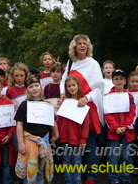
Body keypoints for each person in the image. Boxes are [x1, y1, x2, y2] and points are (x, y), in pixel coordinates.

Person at [60, 34, 104, 184]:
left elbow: (98, 88)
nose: (82, 46)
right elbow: (63, 81)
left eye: (85, 43)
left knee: (89, 144)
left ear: (88, 46)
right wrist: (62, 93)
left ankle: (91, 176)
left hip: (88, 108)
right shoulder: (70, 63)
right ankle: (78, 175)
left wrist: (87, 98)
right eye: (79, 43)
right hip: (72, 109)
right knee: (74, 143)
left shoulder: (93, 64)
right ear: (74, 46)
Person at [14, 76, 59, 183]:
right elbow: (19, 124)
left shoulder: (47, 105)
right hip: (29, 141)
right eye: (31, 87)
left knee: (40, 169)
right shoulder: (24, 105)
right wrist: (20, 143)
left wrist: (56, 134)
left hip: (44, 140)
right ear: (27, 90)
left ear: (40, 87)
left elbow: (52, 121)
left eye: (36, 85)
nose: (34, 88)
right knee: (30, 168)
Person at [104, 69, 135, 184]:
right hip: (113, 132)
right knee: (113, 157)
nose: (119, 81)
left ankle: (126, 178)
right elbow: (107, 114)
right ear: (112, 81)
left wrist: (125, 126)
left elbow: (132, 112)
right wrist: (116, 127)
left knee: (127, 156)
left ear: (125, 80)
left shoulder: (129, 96)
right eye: (116, 79)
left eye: (121, 79)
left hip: (127, 131)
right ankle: (114, 178)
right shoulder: (108, 96)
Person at [57, 75, 89, 184]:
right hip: (64, 138)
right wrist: (56, 134)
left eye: (73, 85)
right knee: (66, 160)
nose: (71, 88)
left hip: (77, 138)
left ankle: (77, 181)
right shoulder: (64, 102)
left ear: (78, 86)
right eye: (69, 86)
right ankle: (68, 181)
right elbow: (59, 120)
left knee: (77, 161)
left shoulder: (82, 102)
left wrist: (83, 139)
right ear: (66, 88)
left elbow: (85, 124)